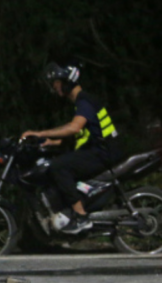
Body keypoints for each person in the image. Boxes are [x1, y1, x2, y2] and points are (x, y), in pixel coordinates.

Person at [22, 61, 123, 234]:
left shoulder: (85, 101)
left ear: (67, 83)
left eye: (57, 83)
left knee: (59, 167)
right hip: (99, 149)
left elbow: (74, 128)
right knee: (60, 162)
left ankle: (80, 215)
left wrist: (40, 133)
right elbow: (81, 135)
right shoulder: (81, 103)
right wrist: (50, 142)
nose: (55, 87)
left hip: (104, 152)